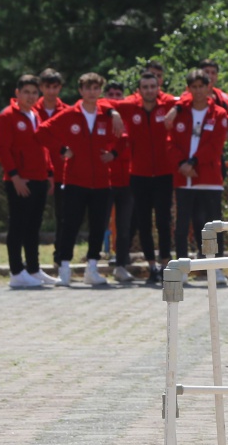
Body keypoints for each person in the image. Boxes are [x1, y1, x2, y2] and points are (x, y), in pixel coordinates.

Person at [38, 72, 125, 286]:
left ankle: (92, 268)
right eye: (88, 88)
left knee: (98, 225)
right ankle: (65, 269)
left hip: (102, 182)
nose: (91, 92)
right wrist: (61, 150)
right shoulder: (69, 114)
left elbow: (124, 138)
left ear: (100, 91)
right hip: (75, 180)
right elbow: (42, 132)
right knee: (70, 225)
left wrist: (113, 154)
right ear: (81, 91)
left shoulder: (107, 115)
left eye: (96, 88)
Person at [167, 69, 228, 285]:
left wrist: (192, 163)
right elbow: (170, 142)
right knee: (183, 225)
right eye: (193, 87)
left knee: (212, 227)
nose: (198, 91)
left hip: (209, 178)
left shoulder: (219, 114)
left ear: (208, 87)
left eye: (201, 86)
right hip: (184, 179)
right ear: (189, 89)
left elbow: (215, 146)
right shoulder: (179, 112)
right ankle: (182, 268)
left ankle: (216, 268)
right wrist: (181, 165)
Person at [0, 75, 56, 289]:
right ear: (17, 93)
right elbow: (2, 149)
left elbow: (42, 146)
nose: (31, 96)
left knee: (33, 227)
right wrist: (15, 176)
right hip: (20, 180)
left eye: (34, 92)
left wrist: (49, 172)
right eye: (26, 92)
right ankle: (16, 272)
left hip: (39, 178)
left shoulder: (35, 114)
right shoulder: (6, 116)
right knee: (18, 226)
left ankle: (33, 268)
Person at [119, 69, 176, 285]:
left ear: (158, 86)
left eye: (153, 86)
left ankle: (165, 265)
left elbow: (190, 98)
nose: (149, 91)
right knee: (143, 222)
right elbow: (105, 104)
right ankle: (151, 267)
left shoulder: (168, 103)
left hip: (164, 174)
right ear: (139, 89)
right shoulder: (129, 106)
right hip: (139, 174)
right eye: (145, 87)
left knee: (163, 221)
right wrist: (113, 114)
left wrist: (177, 107)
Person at [101, 81, 135, 283]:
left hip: (128, 180)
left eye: (118, 94)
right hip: (106, 180)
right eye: (111, 94)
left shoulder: (129, 118)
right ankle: (93, 264)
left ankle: (121, 265)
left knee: (125, 227)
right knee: (101, 224)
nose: (114, 97)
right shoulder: (100, 117)